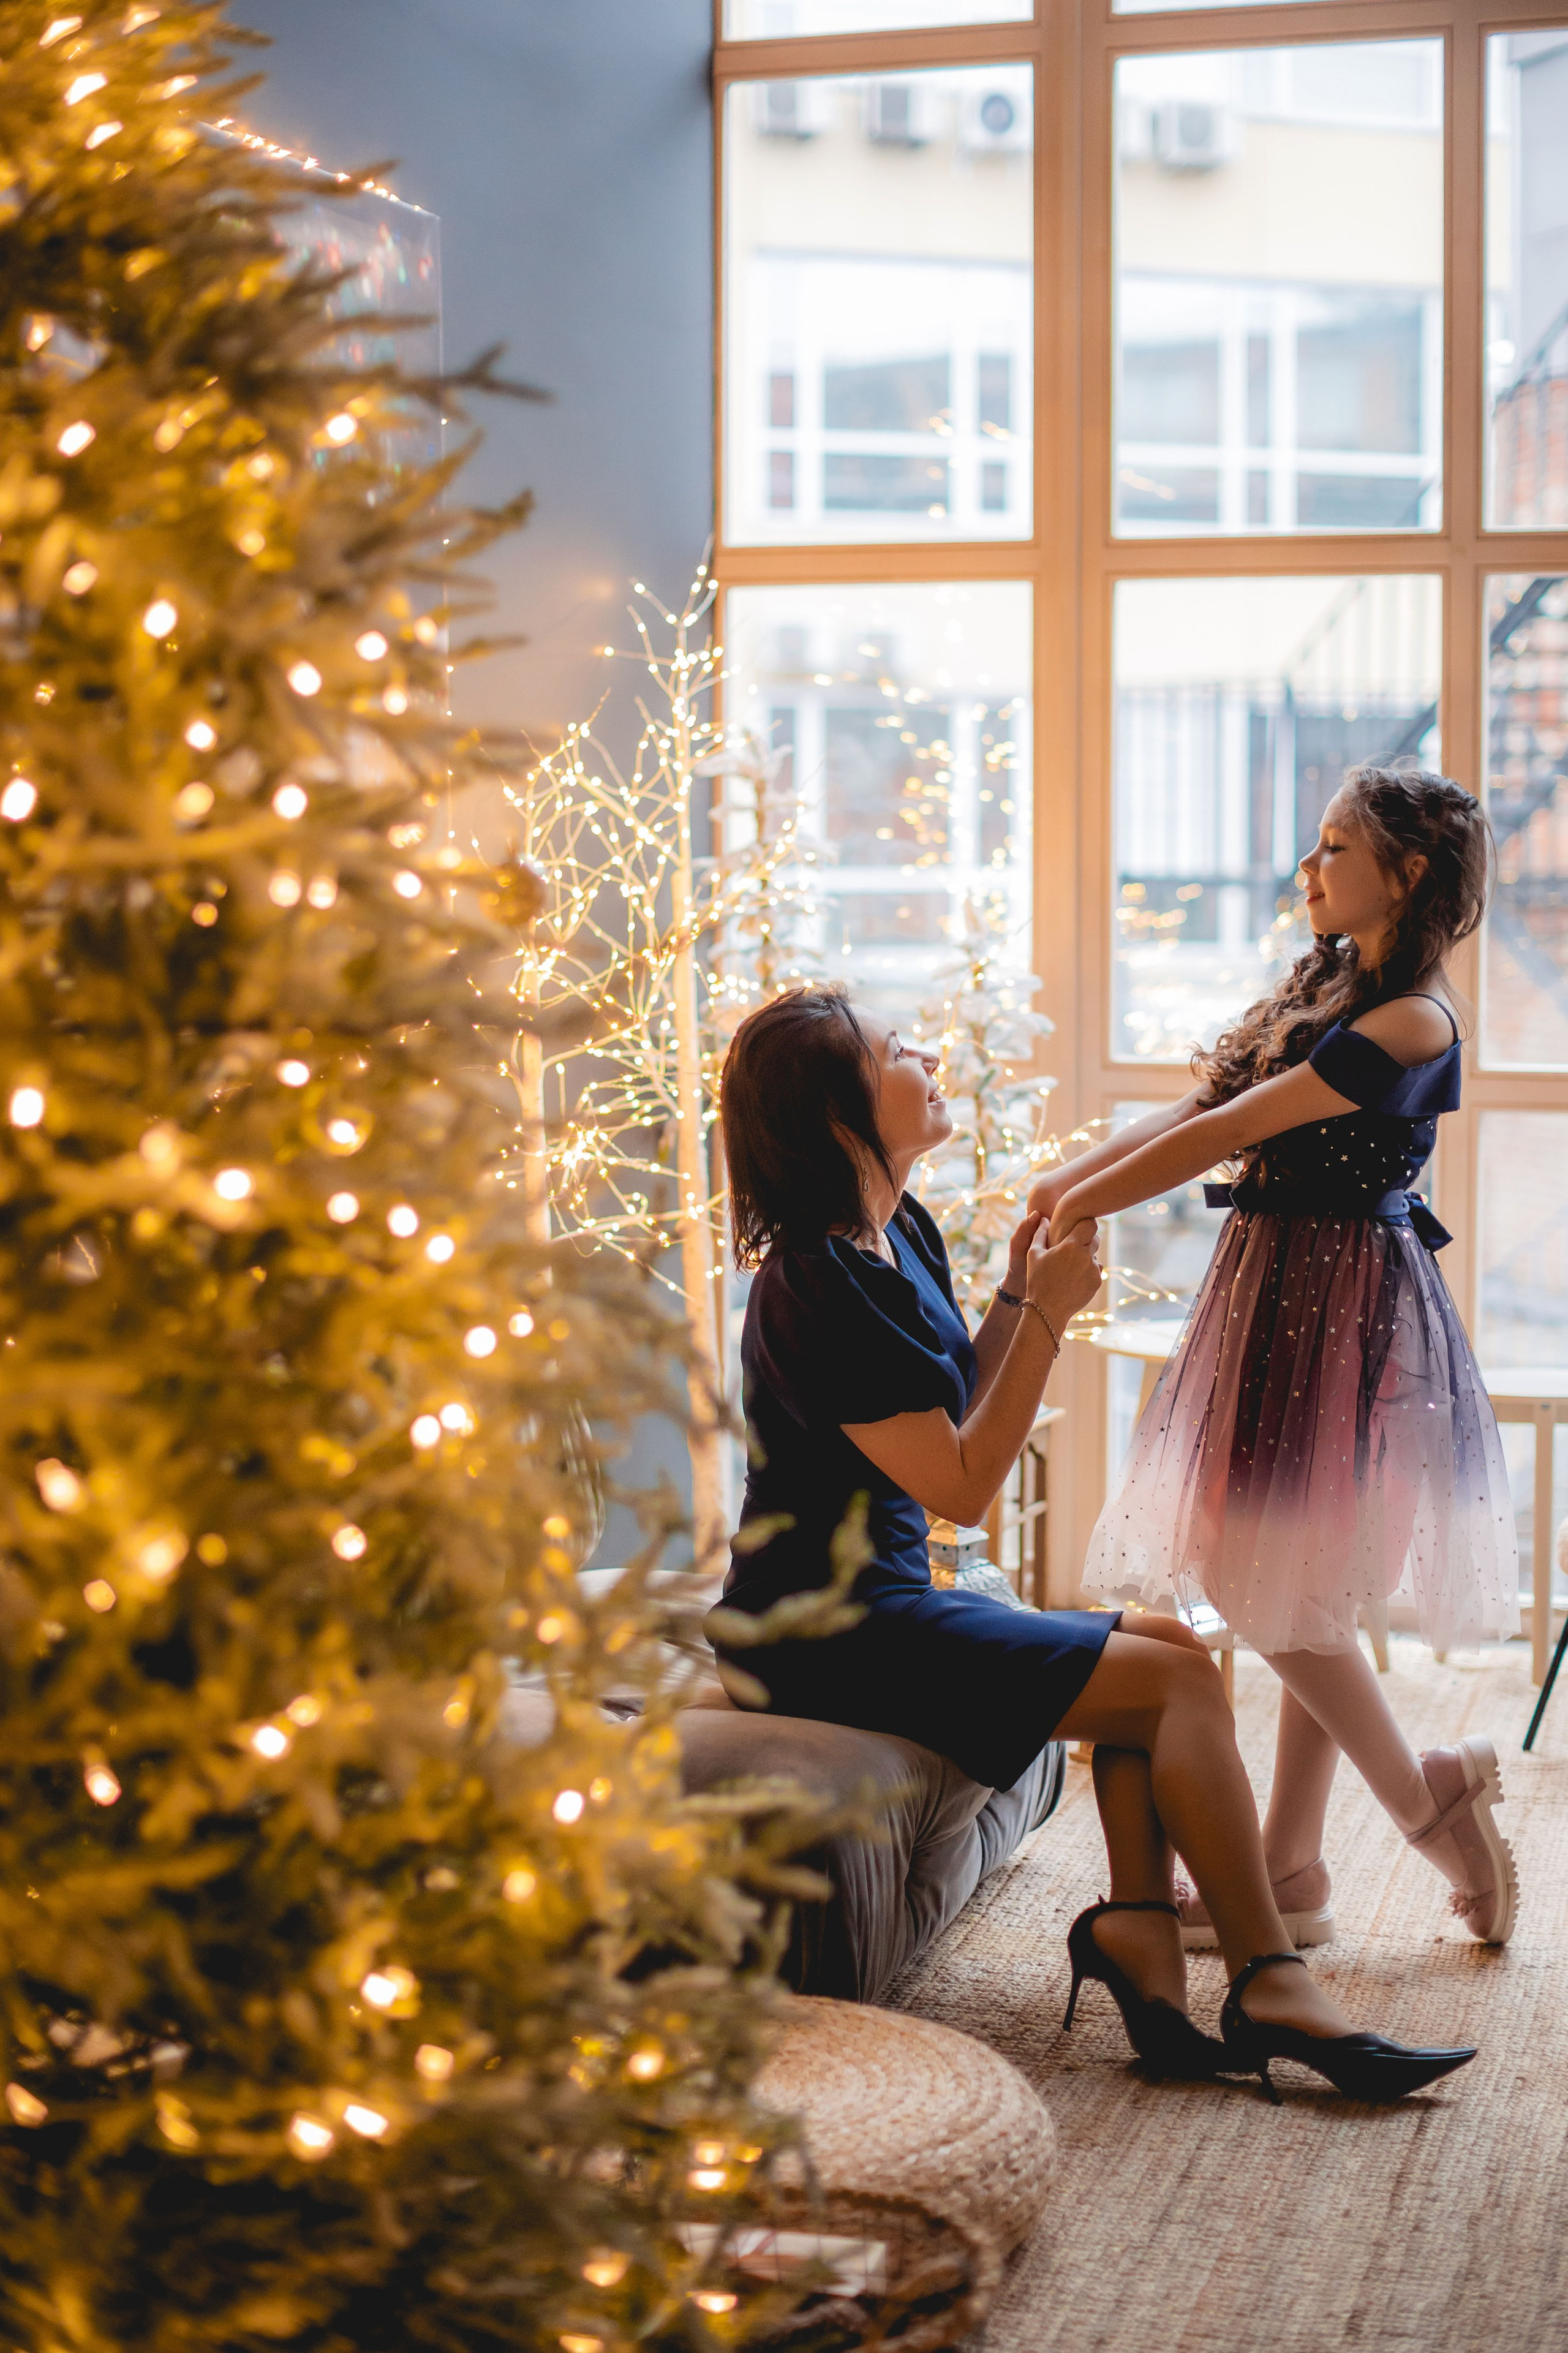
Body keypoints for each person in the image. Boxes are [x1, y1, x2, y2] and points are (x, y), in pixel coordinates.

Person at [713, 981, 1476, 2102]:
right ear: (839, 1115)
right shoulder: (811, 1286)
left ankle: (1137, 1929)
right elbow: (965, 1484)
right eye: (894, 1048)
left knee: (1165, 1641)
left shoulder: (891, 1231)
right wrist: (1049, 1318)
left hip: (875, 1595)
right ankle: (1268, 1977)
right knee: (1175, 1688)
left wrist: (1020, 1290)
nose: (924, 1051)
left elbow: (952, 1401)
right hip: (819, 1631)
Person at [1037, 766, 1519, 1954]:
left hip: (1338, 1305)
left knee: (1264, 1584)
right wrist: (1061, 1183)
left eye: (1331, 847)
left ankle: (1425, 1807)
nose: (1306, 870)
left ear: (1405, 873)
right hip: (1276, 1289)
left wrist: (1084, 1205)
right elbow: (1198, 1102)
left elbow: (1231, 1129)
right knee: (1303, 1579)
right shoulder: (1333, 987)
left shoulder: (1410, 1018)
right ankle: (1291, 1871)